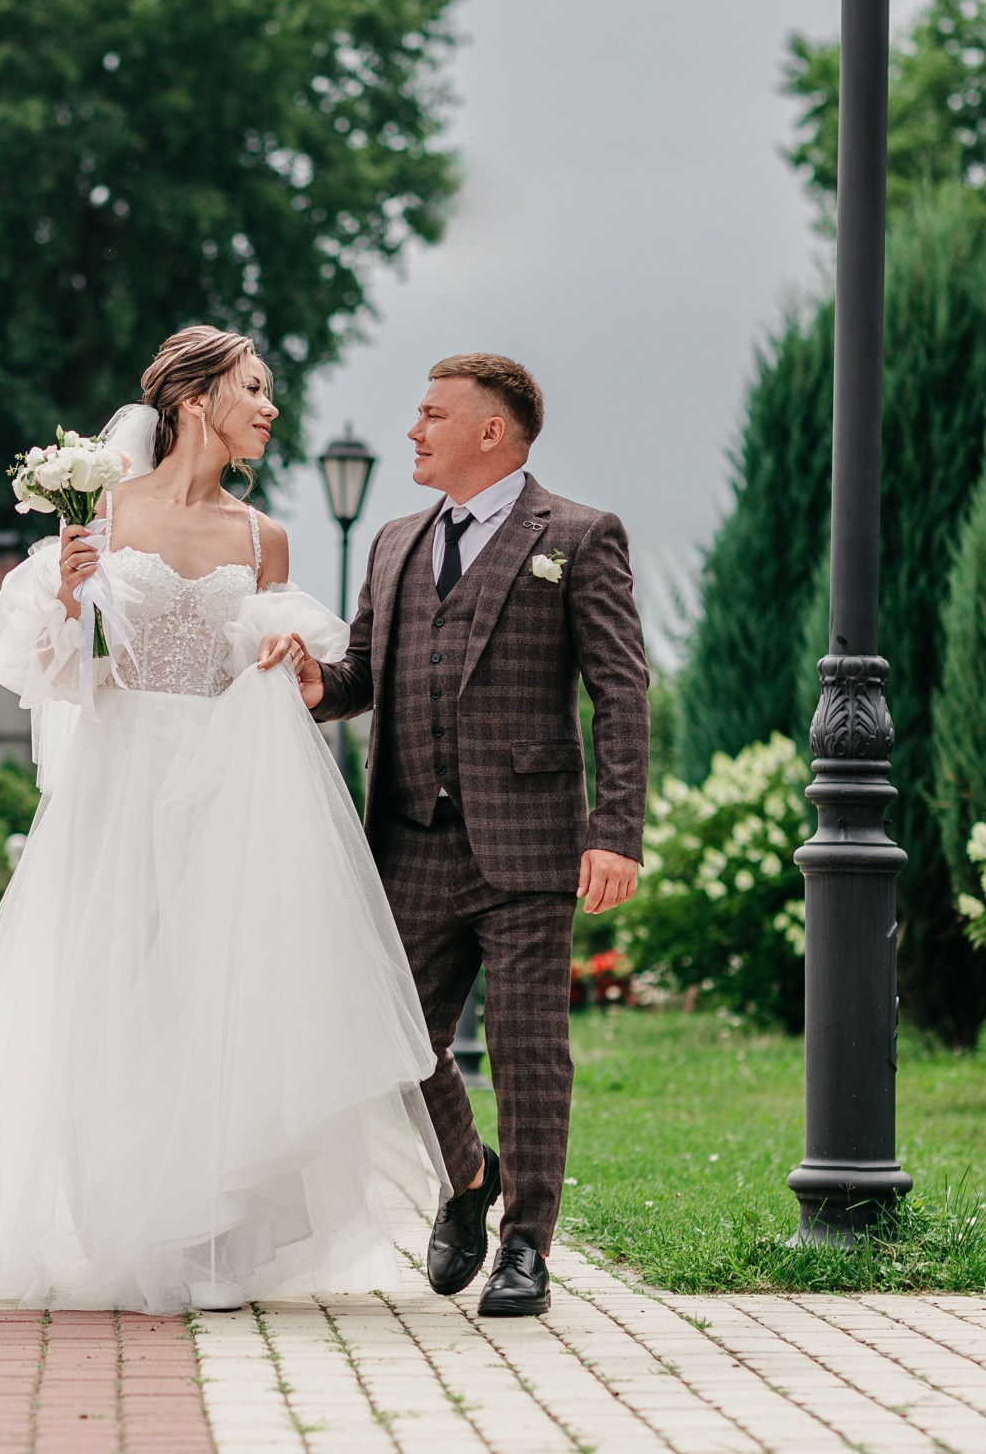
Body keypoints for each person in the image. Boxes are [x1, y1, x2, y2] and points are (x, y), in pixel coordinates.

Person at [0, 325, 445, 1315]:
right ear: (194, 400)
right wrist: (65, 597)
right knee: (120, 991)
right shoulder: (100, 513)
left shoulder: (261, 535)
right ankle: (122, 1217)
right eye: (254, 388)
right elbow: (51, 669)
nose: (270, 408)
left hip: (232, 783)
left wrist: (284, 659)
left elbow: (272, 656)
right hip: (126, 776)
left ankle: (213, 1232)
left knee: (221, 992)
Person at [261, 353, 649, 1318]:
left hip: (528, 842)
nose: (414, 431)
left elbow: (620, 690)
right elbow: (363, 676)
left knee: (528, 1048)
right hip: (407, 839)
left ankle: (526, 1247)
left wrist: (617, 829)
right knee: (393, 1041)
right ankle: (469, 1173)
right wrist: (317, 683)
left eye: (433, 415)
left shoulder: (579, 535)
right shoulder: (392, 542)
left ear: (492, 431)